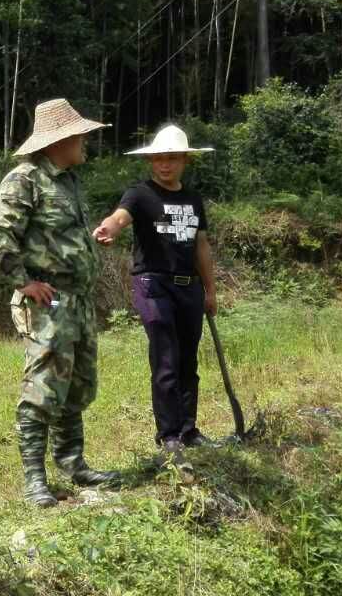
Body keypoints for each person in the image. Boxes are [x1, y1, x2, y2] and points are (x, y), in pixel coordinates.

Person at [0, 98, 120, 508]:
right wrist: (23, 283)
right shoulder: (23, 180)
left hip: (78, 302)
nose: (85, 143)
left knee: (76, 386)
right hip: (48, 303)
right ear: (58, 140)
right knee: (43, 388)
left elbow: (57, 236)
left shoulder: (69, 182)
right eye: (80, 136)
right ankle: (34, 480)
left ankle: (73, 463)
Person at [92, 124, 218, 454]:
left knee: (188, 361)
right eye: (159, 159)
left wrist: (210, 290)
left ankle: (189, 430)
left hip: (188, 287)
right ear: (151, 161)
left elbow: (201, 245)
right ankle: (170, 435)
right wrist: (108, 228)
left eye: (172, 159)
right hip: (153, 285)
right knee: (166, 359)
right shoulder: (140, 193)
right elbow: (120, 217)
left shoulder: (192, 199)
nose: (165, 165)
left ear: (185, 161)